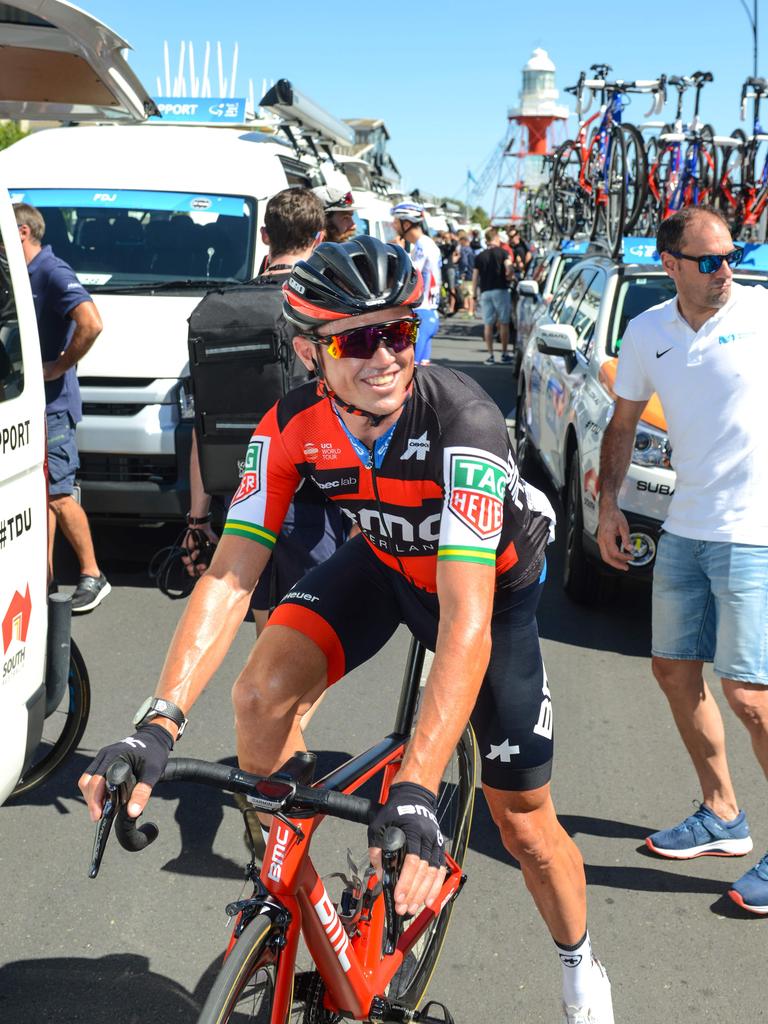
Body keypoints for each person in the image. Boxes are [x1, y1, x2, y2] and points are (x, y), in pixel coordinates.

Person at [80, 237, 614, 1023]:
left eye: (399, 332)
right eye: (359, 339)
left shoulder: (463, 420)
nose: (386, 356)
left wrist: (417, 791)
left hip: (487, 597)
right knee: (259, 698)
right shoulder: (291, 422)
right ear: (307, 351)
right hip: (387, 566)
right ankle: (297, 896)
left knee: (525, 823)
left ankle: (580, 969)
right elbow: (230, 573)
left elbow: (464, 622)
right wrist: (157, 722)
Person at [597, 206, 768, 917]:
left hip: (755, 532)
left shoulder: (761, 313)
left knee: (752, 696)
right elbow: (623, 422)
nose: (724, 269)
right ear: (670, 263)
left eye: (732, 255)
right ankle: (723, 815)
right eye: (707, 260)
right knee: (673, 670)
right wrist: (609, 505)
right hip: (685, 527)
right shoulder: (647, 331)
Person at [184, 187, 346, 638]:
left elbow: (203, 424)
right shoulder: (326, 314)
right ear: (318, 238)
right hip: (314, 498)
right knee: (305, 640)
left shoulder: (222, 311)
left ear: (263, 235)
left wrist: (197, 518)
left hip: (243, 494)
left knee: (265, 631)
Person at [14, 202, 109, 612]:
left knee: (57, 495)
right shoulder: (21, 275)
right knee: (40, 492)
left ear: (22, 232)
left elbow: (91, 322)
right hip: (31, 402)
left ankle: (93, 574)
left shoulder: (51, 271)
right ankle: (46, 575)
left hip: (53, 407)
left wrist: (60, 365)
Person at [391, 202, 441, 366]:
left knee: (411, 372)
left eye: (396, 221)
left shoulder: (423, 245)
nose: (393, 224)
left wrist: (398, 252)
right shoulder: (425, 243)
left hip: (423, 312)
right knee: (421, 375)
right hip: (429, 312)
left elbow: (410, 274)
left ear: (406, 223)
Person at [472, 227, 514, 365]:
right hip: (501, 290)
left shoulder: (480, 256)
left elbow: (475, 277)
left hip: (485, 292)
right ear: (496, 238)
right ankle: (504, 354)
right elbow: (509, 267)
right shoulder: (503, 253)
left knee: (488, 324)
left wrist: (474, 294)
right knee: (504, 323)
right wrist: (510, 275)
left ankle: (490, 355)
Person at [457, 232, 476, 317]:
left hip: (467, 273)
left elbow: (464, 262)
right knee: (469, 293)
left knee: (468, 294)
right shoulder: (471, 250)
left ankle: (470, 311)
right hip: (472, 273)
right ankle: (470, 310)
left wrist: (463, 272)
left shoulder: (464, 250)